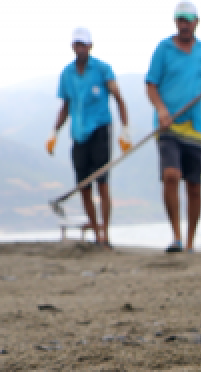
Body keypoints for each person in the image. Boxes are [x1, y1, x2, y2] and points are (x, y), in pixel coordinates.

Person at [145, 1, 201, 253]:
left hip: (197, 128)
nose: (184, 24)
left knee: (194, 185)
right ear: (175, 22)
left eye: (188, 20)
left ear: (196, 23)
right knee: (171, 175)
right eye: (180, 20)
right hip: (169, 125)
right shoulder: (163, 49)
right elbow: (151, 84)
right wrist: (161, 110)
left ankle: (191, 242)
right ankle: (176, 236)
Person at [47, 28, 131, 248]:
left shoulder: (103, 69)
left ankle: (105, 234)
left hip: (100, 130)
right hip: (78, 134)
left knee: (102, 182)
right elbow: (65, 106)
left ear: (90, 46)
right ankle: (95, 231)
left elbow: (119, 99)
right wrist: (54, 132)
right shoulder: (67, 74)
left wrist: (125, 130)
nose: (80, 48)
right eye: (77, 44)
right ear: (72, 46)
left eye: (83, 44)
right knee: (84, 186)